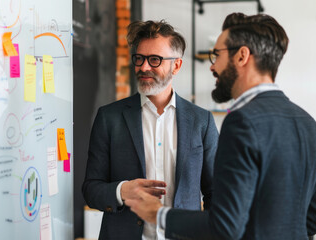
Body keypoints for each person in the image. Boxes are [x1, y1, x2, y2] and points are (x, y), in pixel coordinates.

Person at [126, 13, 316, 240]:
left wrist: (158, 214)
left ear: (242, 56)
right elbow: (314, 218)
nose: (213, 67)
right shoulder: (311, 127)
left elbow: (225, 226)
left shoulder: (242, 122)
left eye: (217, 55)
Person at [82, 20, 219, 239]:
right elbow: (91, 190)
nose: (144, 67)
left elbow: (216, 194)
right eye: (139, 58)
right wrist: (122, 191)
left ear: (176, 65)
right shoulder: (109, 117)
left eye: (155, 60)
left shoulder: (202, 121)